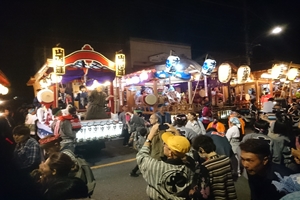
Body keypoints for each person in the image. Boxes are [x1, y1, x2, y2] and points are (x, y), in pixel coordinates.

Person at [136, 124, 210, 200]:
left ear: (170, 153)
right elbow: (185, 150)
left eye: (165, 144)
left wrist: (149, 137)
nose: (163, 144)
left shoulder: (155, 167)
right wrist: (176, 132)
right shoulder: (191, 164)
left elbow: (141, 155)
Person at [192, 135, 237, 199]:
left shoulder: (205, 166)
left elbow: (204, 191)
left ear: (201, 150)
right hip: (230, 196)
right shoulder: (226, 159)